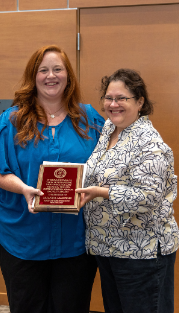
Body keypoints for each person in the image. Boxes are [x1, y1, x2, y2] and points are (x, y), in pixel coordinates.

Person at [0, 45, 104, 313]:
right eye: (44, 70)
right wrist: (23, 188)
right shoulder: (12, 119)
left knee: (71, 306)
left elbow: (107, 164)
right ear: (33, 76)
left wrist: (95, 190)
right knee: (28, 306)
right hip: (21, 234)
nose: (51, 76)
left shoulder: (89, 119)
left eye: (58, 69)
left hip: (75, 236)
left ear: (68, 75)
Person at [76, 68, 178, 313]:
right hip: (108, 248)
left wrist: (101, 192)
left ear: (140, 102)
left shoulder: (149, 143)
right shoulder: (110, 131)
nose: (113, 104)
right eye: (109, 98)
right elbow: (94, 171)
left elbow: (147, 198)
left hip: (141, 253)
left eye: (122, 98)